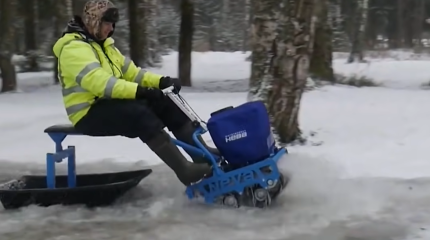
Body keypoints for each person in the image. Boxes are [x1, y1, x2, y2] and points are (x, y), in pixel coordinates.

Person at [52, 0, 218, 186]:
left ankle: (203, 155)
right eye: (107, 23)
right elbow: (100, 84)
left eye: (113, 24)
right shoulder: (74, 49)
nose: (111, 29)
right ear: (94, 21)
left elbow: (132, 73)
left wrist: (161, 82)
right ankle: (184, 170)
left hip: (109, 104)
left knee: (166, 102)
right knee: (139, 115)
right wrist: (140, 92)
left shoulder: (104, 46)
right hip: (88, 113)